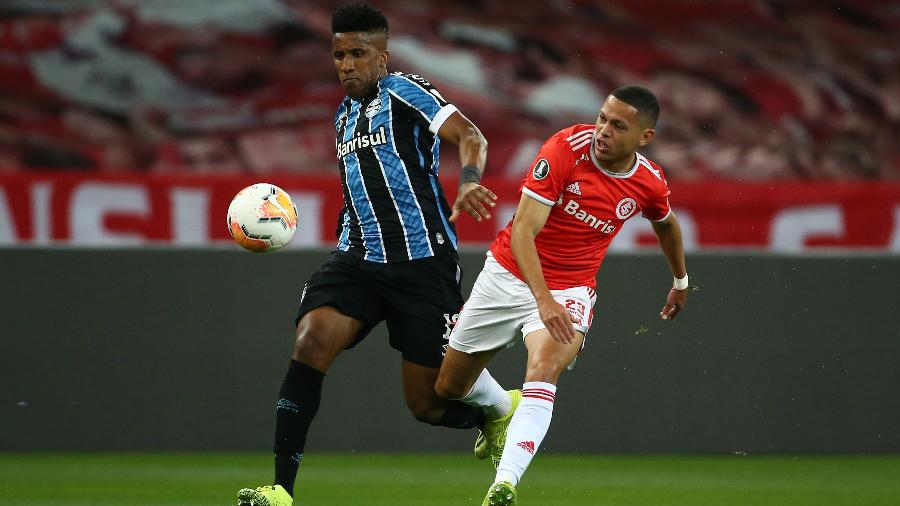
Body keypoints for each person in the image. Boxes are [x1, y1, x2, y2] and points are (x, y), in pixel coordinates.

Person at [236, 4, 499, 506]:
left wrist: (468, 182)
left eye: (359, 53)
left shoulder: (405, 91)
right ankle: (279, 490)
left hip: (423, 262)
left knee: (425, 403)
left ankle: (490, 413)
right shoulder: (342, 117)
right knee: (310, 342)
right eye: (339, 54)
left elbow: (470, 135)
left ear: (382, 56)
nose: (347, 64)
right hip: (358, 259)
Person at [433, 85, 689, 506]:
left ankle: (504, 484)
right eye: (602, 118)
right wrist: (542, 299)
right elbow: (523, 232)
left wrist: (680, 281)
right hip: (509, 274)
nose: (602, 130)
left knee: (545, 367)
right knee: (448, 385)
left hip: (571, 288)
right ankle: (500, 408)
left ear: (645, 138)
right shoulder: (565, 149)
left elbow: (666, 223)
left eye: (617, 125)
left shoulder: (648, 181)